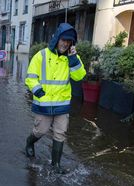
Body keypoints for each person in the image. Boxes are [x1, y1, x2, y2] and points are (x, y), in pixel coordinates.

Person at [24, 23, 86, 174]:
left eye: (69, 41)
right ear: (57, 39)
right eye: (63, 40)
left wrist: (73, 60)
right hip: (44, 103)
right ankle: (29, 142)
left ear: (72, 43)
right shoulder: (42, 55)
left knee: (60, 133)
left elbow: (79, 77)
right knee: (41, 131)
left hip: (62, 105)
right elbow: (31, 77)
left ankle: (55, 165)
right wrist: (38, 91)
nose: (65, 43)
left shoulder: (72, 58)